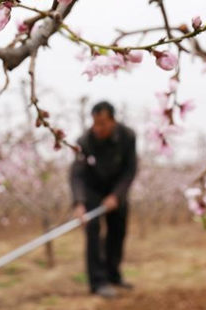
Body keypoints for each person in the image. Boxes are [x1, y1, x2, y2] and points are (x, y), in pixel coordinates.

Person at [70, 101, 138, 299]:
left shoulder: (127, 136)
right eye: (95, 123)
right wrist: (79, 202)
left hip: (116, 189)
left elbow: (130, 170)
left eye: (102, 123)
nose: (97, 128)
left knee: (118, 232)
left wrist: (116, 196)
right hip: (92, 189)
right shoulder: (84, 141)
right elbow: (76, 174)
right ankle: (98, 282)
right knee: (93, 233)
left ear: (113, 121)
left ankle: (113, 275)